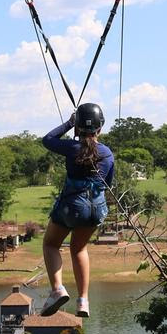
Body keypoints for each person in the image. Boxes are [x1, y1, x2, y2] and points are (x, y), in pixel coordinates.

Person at [40, 103, 114, 318]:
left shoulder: (72, 148)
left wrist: (68, 123)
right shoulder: (107, 153)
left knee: (51, 244)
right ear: (100, 129)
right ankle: (83, 301)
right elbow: (107, 183)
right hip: (96, 209)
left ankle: (57, 290)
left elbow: (47, 140)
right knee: (79, 249)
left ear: (78, 128)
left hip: (72, 206)